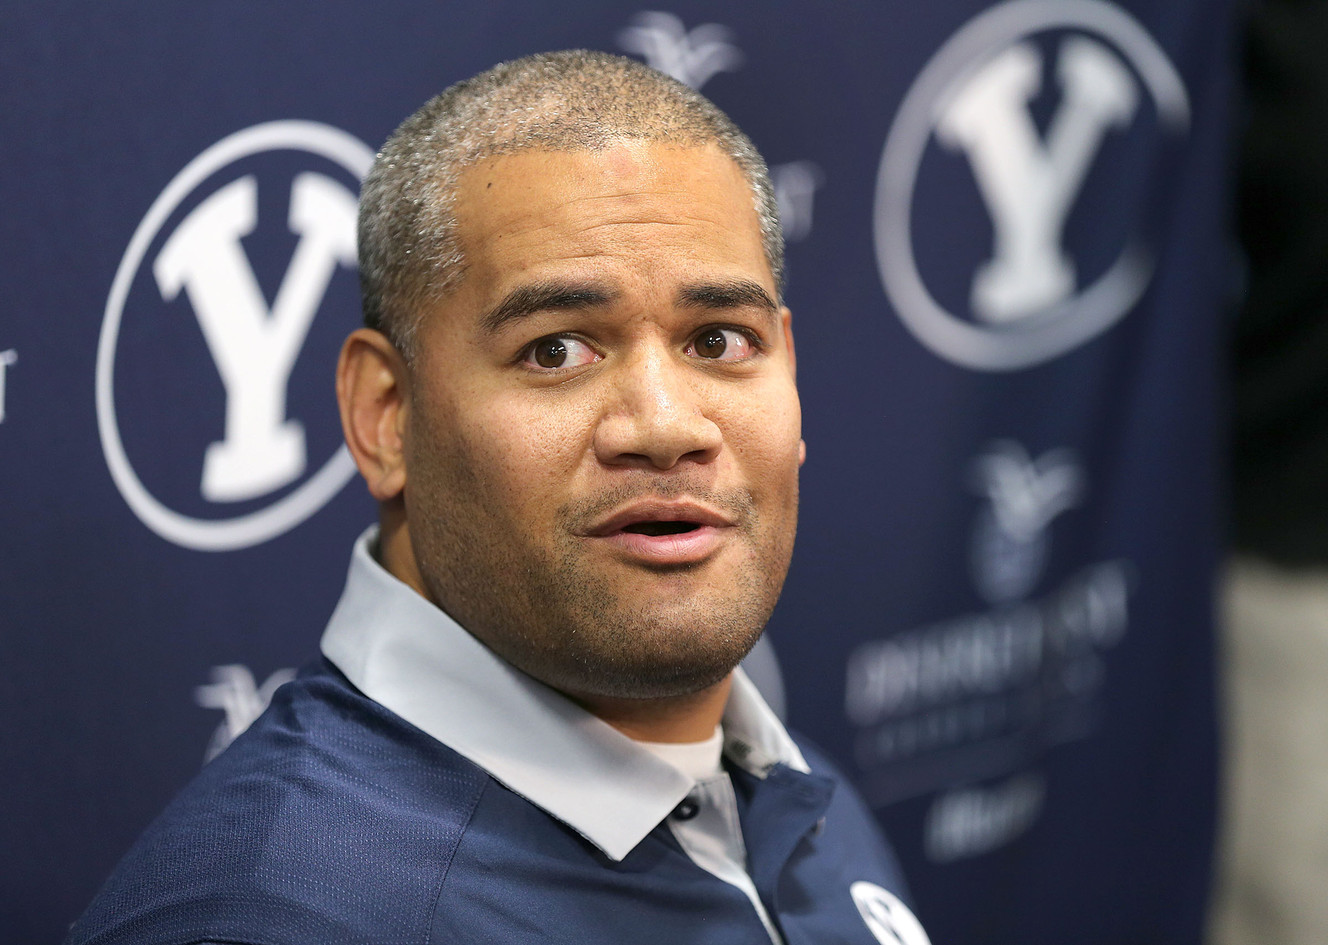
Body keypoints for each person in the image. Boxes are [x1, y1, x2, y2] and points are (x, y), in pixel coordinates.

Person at [67, 50, 926, 945]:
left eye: (718, 339)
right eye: (556, 350)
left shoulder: (792, 797)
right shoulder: (268, 916)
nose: (667, 425)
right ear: (385, 416)